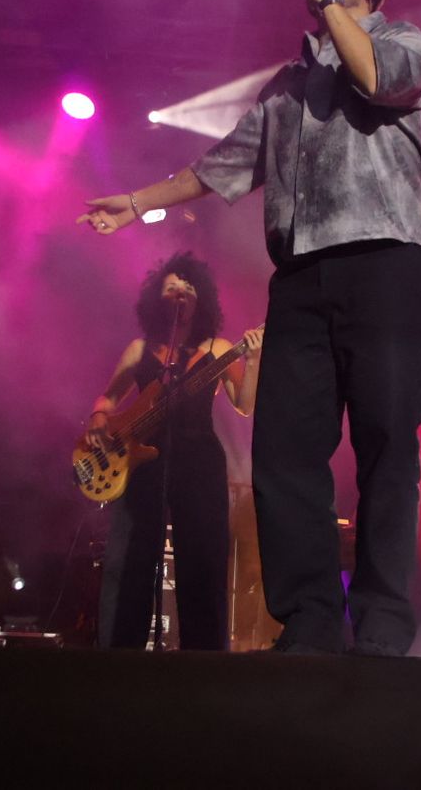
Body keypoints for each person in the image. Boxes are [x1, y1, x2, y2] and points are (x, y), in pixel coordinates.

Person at [79, 0, 421, 656]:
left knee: (387, 444)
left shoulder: (404, 42)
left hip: (386, 264)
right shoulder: (287, 86)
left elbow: (374, 78)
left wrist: (328, 0)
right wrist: (139, 200)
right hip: (301, 278)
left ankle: (383, 626)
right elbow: (222, 166)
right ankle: (308, 621)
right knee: (284, 451)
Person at [86, 252, 263, 650]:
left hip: (199, 460)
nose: (180, 290)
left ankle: (203, 659)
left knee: (202, 560)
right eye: (171, 286)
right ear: (156, 298)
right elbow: (107, 397)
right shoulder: (139, 350)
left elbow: (244, 404)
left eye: (188, 285)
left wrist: (251, 360)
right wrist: (99, 417)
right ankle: (117, 652)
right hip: (140, 464)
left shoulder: (218, 348)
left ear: (202, 299)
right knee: (129, 557)